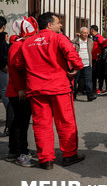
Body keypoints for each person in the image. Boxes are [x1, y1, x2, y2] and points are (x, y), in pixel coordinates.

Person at [14, 12, 85, 169]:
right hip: (59, 87)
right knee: (66, 122)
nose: (61, 25)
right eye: (58, 22)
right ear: (49, 24)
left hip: (36, 89)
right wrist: (77, 67)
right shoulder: (59, 38)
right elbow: (73, 55)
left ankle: (46, 160)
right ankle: (69, 155)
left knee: (41, 124)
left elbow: (18, 64)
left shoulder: (27, 42)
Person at [6, 17, 38, 167]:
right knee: (21, 123)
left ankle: (15, 150)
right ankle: (21, 153)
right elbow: (14, 69)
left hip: (19, 89)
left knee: (18, 122)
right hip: (19, 90)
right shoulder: (18, 46)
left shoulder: (19, 44)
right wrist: (21, 88)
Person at [72, 27, 97, 102]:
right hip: (77, 65)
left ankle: (90, 96)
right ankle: (73, 96)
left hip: (87, 64)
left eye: (87, 33)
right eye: (84, 33)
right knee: (75, 81)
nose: (86, 34)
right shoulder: (75, 42)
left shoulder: (90, 41)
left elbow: (91, 51)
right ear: (80, 33)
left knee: (88, 80)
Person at [0, 16, 9, 136]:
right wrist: (3, 65)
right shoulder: (1, 37)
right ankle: (11, 119)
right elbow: (1, 53)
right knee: (5, 92)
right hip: (1, 69)